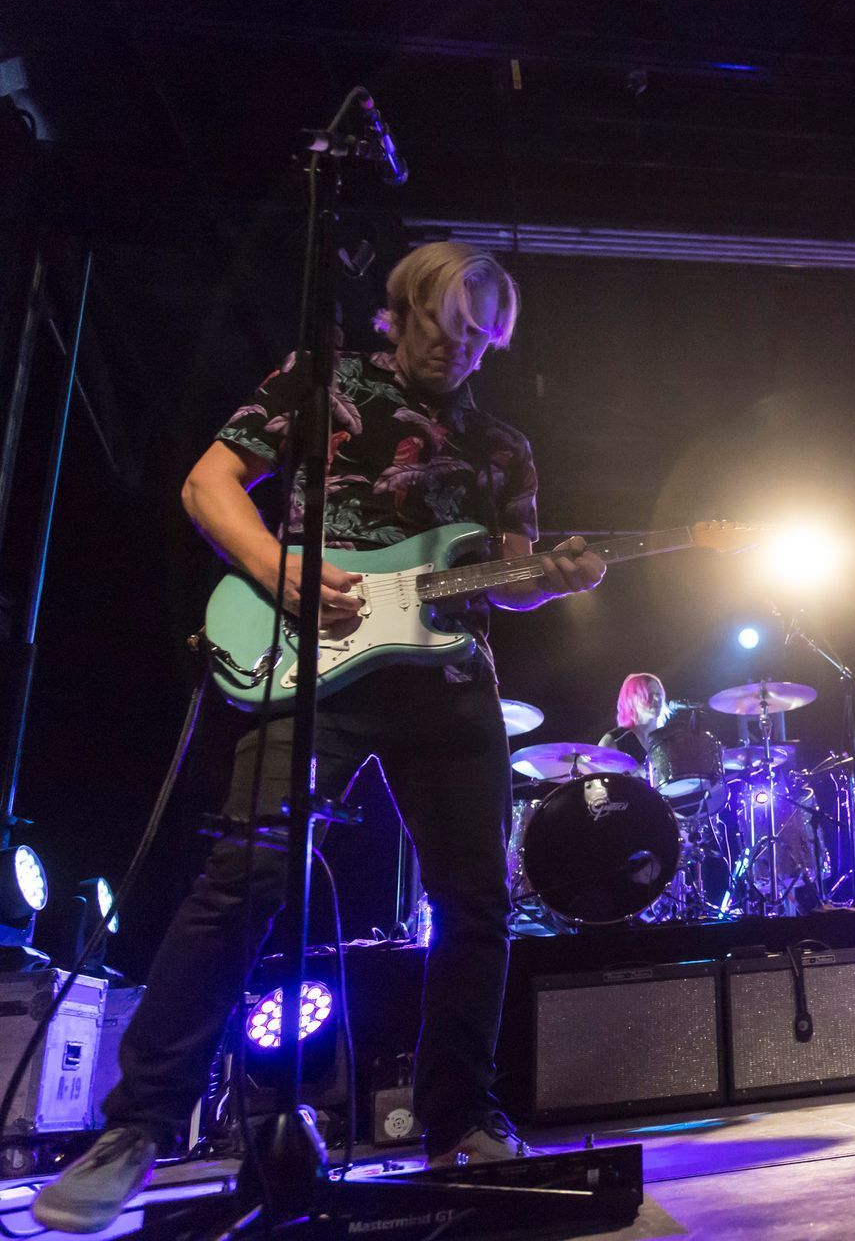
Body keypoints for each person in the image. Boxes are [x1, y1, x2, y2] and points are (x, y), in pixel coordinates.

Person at [34, 243, 607, 1234]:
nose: (459, 351)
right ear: (403, 306)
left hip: (450, 684)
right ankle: (135, 1128)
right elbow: (209, 483)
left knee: (474, 904)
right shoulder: (323, 383)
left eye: (481, 340)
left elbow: (508, 575)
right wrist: (276, 566)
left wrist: (557, 575)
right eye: (445, 326)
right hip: (315, 667)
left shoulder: (502, 447)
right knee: (245, 876)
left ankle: (458, 1116)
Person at [600, 671, 670, 768]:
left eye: (658, 694)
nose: (657, 699)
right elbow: (598, 779)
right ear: (631, 699)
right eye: (649, 695)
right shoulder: (616, 740)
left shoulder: (669, 738)